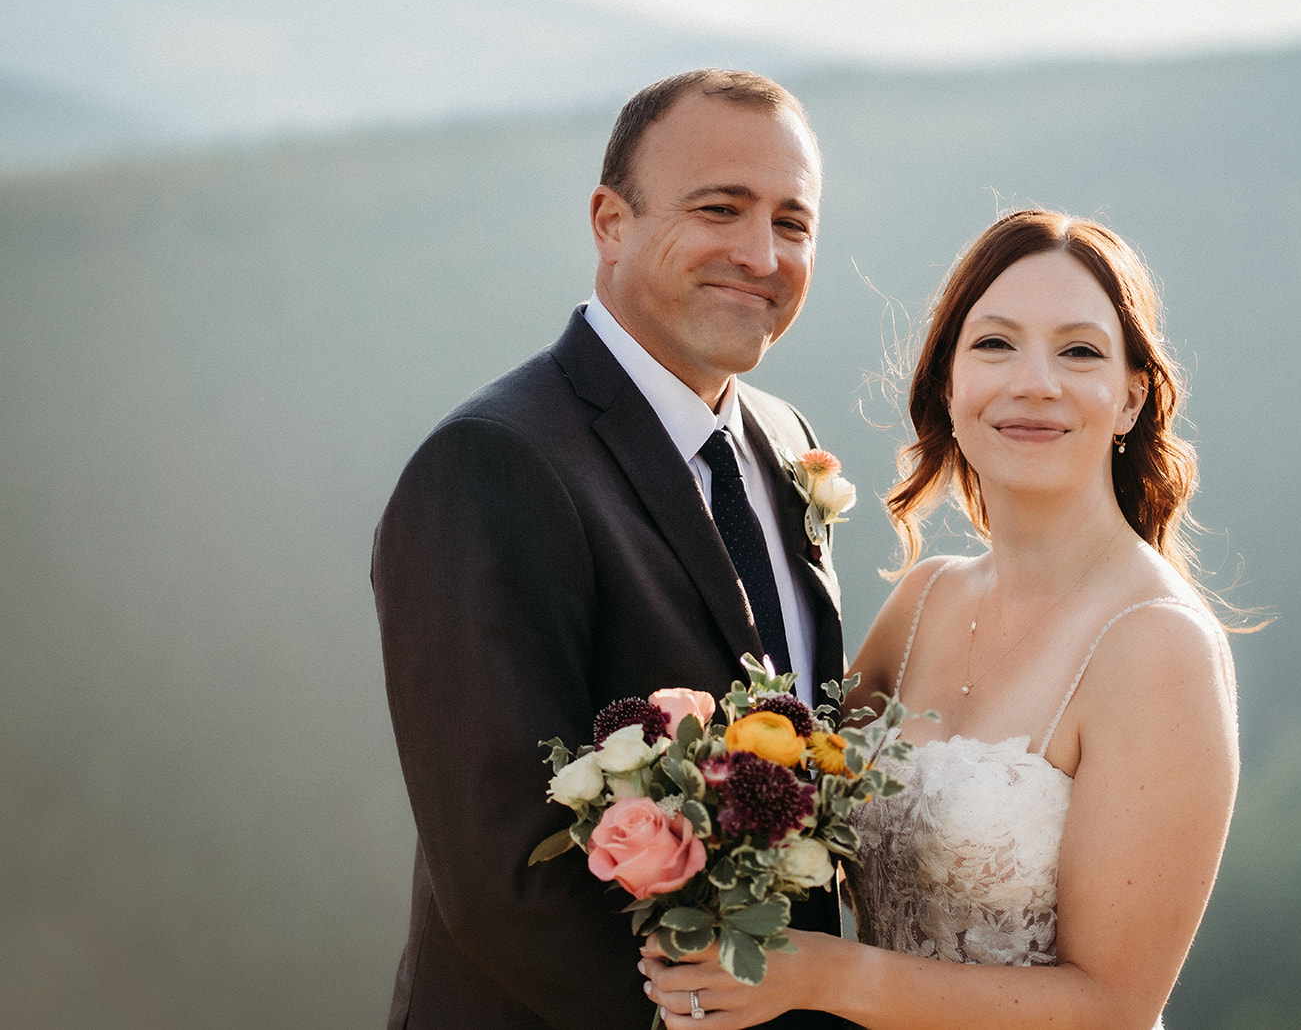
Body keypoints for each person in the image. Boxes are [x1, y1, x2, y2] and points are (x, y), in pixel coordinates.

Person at [639, 209, 1240, 1029]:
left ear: (1131, 397)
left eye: (1080, 350)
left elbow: (1113, 1004)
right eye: (995, 344)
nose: (1035, 380)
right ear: (949, 384)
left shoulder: (1158, 644)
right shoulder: (922, 602)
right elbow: (784, 791)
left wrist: (826, 976)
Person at [373, 70, 851, 1029]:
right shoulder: (491, 463)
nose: (761, 253)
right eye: (721, 207)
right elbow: (509, 885)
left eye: (792, 223)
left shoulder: (785, 439)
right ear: (610, 221)